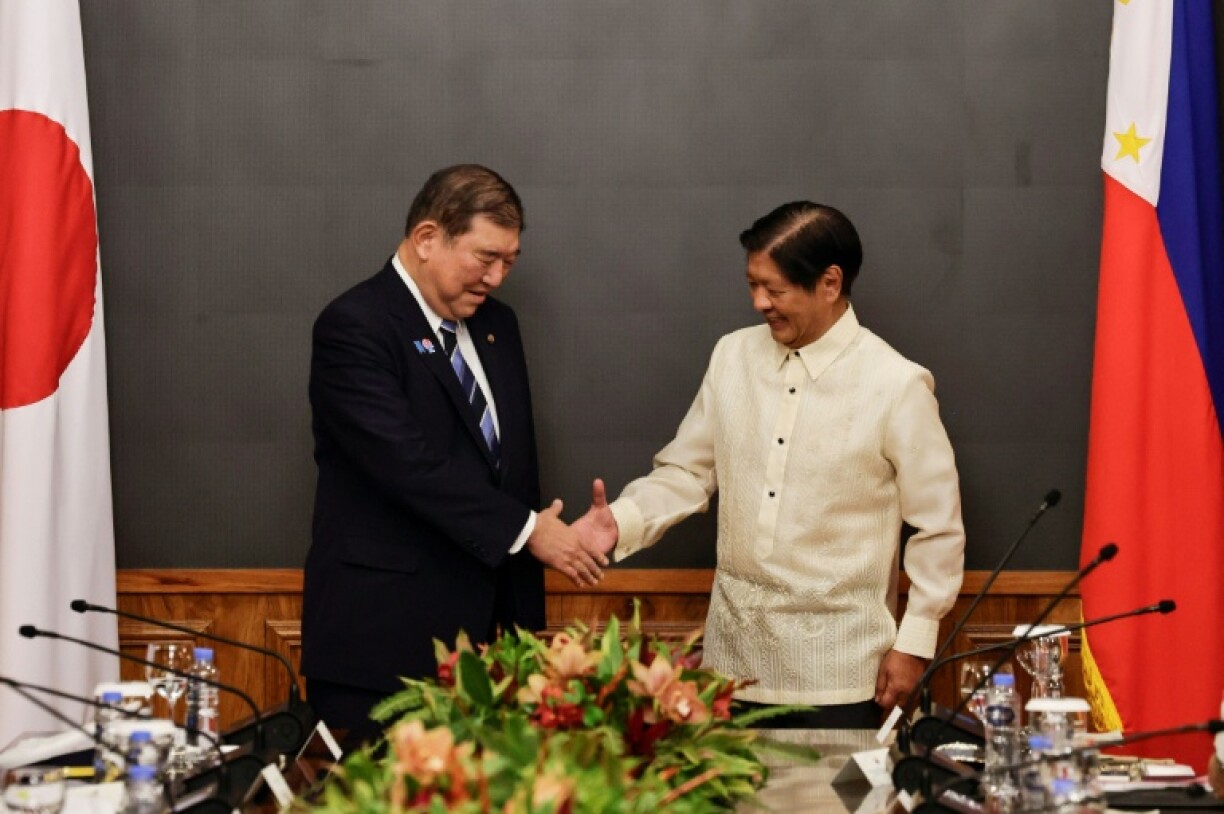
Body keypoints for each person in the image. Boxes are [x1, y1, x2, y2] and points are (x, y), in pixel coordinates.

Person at [575, 202, 965, 727]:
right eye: (752, 285)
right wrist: (619, 521)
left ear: (830, 283)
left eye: (774, 290)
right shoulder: (731, 356)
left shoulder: (897, 384)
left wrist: (914, 642)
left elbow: (939, 527)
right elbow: (688, 472)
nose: (759, 302)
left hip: (843, 679)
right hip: (728, 670)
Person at [302, 164, 607, 740]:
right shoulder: (355, 326)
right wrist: (527, 530)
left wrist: (543, 561)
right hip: (384, 644)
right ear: (427, 238)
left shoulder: (498, 326)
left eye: (509, 262)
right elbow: (406, 464)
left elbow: (509, 467)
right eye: (485, 257)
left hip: (493, 648)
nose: (496, 277)